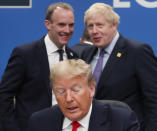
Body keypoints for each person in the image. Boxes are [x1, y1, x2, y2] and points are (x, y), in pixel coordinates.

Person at [0, 2, 78, 131]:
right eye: (61, 25)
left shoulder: (74, 57)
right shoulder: (25, 54)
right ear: (48, 24)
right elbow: (4, 95)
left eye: (71, 25)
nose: (67, 30)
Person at [79, 3, 157, 131]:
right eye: (90, 26)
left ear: (114, 25)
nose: (94, 31)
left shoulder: (137, 51)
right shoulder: (86, 54)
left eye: (100, 25)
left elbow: (154, 98)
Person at [27, 59, 140, 131]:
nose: (68, 98)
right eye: (61, 91)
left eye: (75, 90)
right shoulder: (39, 123)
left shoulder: (121, 122)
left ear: (91, 89)